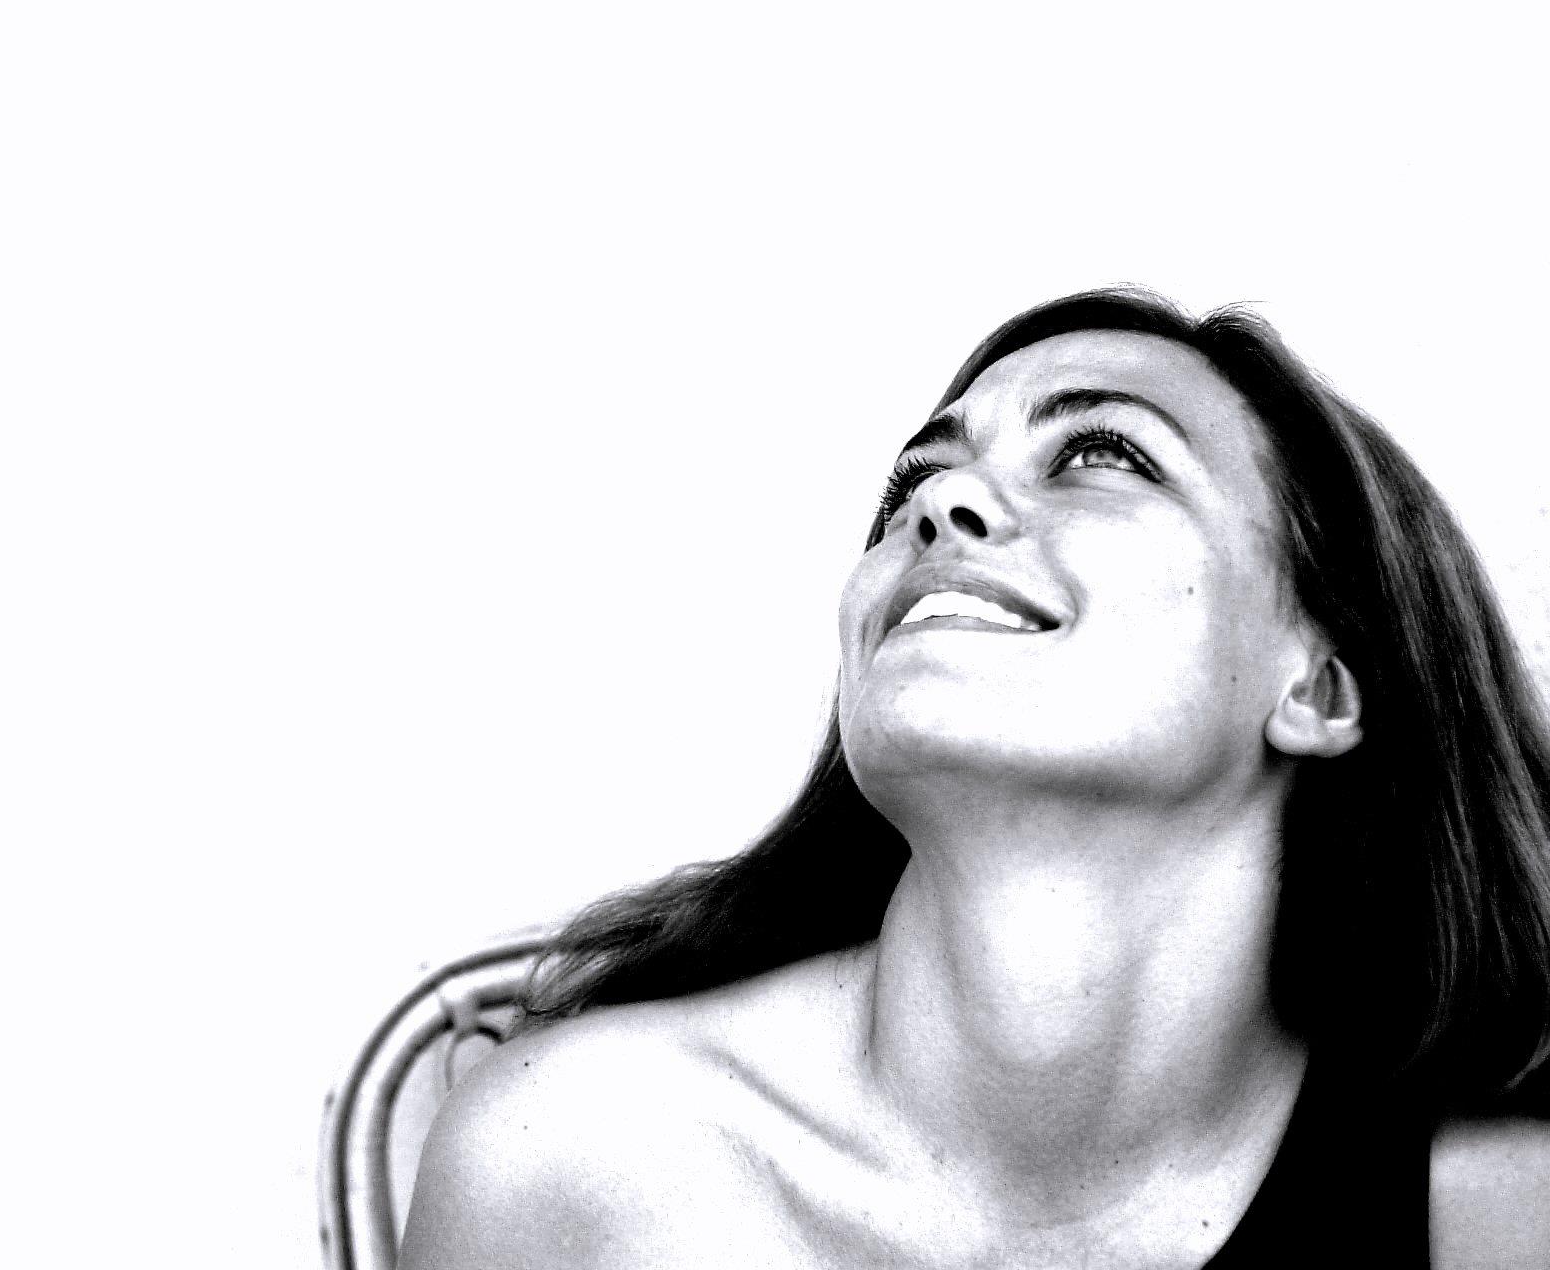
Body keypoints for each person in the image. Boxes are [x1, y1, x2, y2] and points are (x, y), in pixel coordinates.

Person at [397, 288, 1550, 1268]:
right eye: (914, 480)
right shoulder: (569, 1157)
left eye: (1101, 456)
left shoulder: (1496, 1210)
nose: (933, 508)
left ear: (1319, 688)